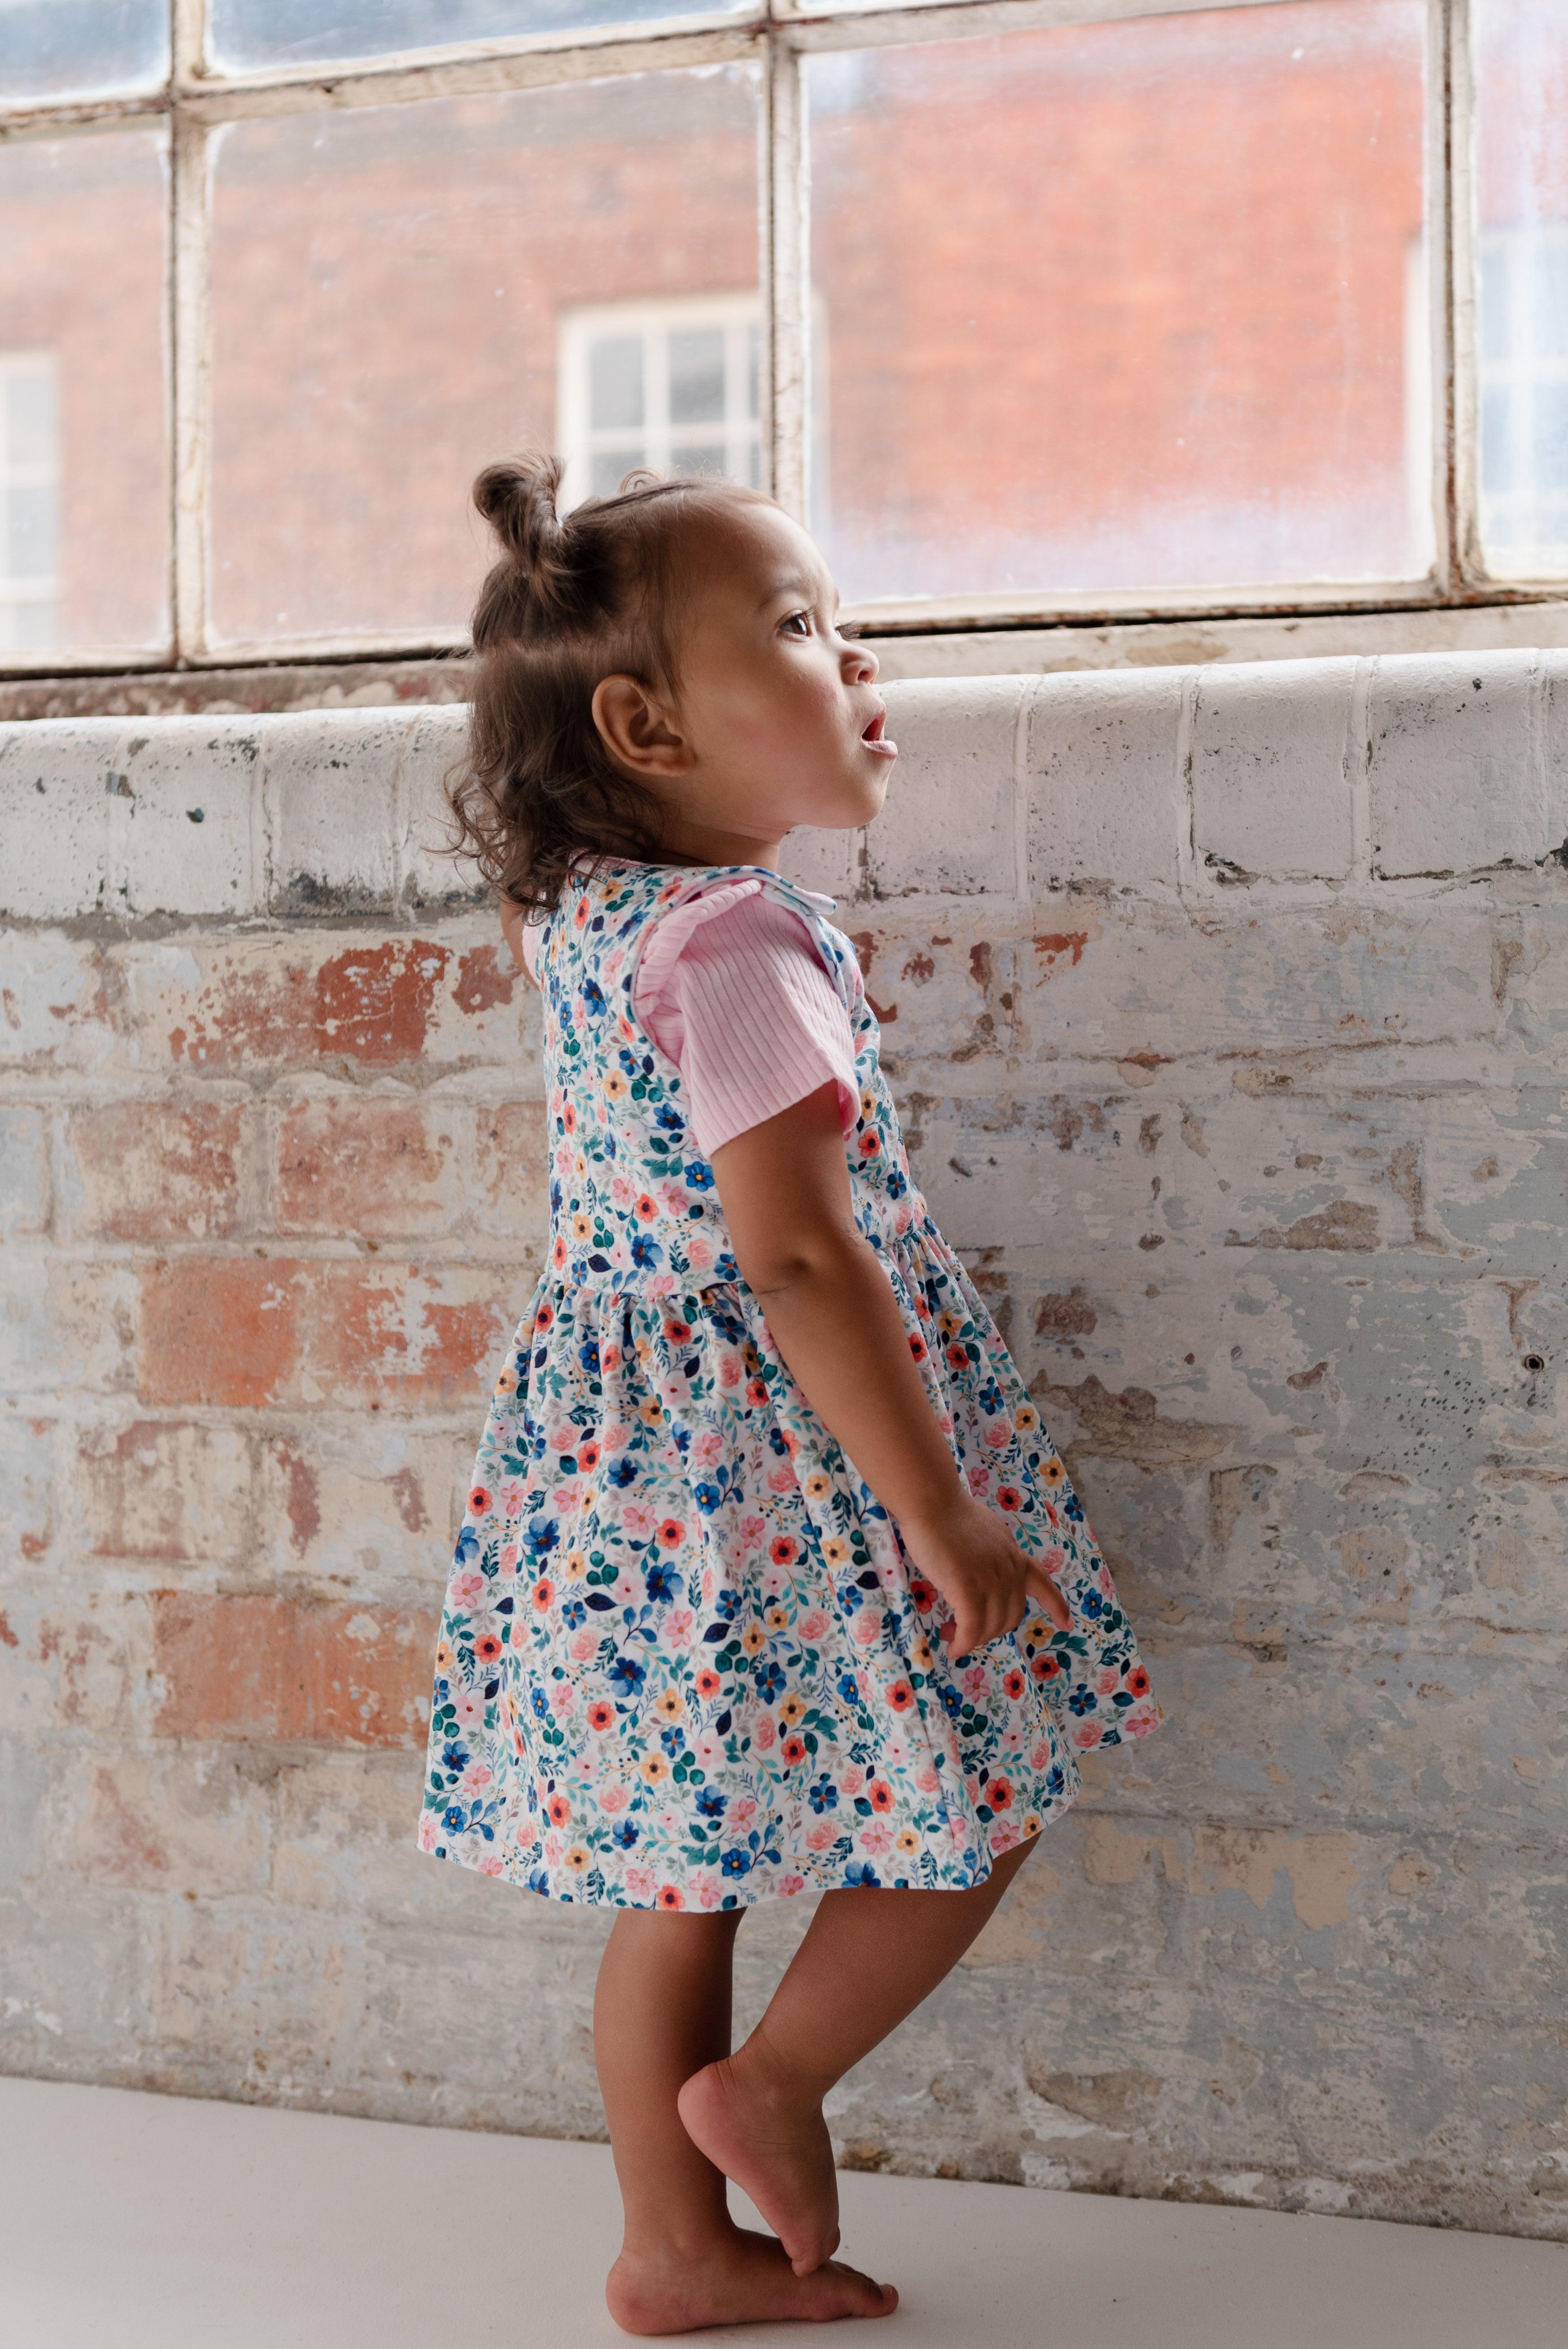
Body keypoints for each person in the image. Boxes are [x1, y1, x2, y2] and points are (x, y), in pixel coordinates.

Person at [415, 453, 1162, 2334]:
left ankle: (672, 2247)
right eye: (804, 627)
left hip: (630, 1469)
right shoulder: (739, 943)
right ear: (645, 726)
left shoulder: (583, 913)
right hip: (795, 1455)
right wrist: (937, 1507)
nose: (859, 656)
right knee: (992, 1759)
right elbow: (803, 1261)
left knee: (682, 1872)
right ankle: (773, 2082)